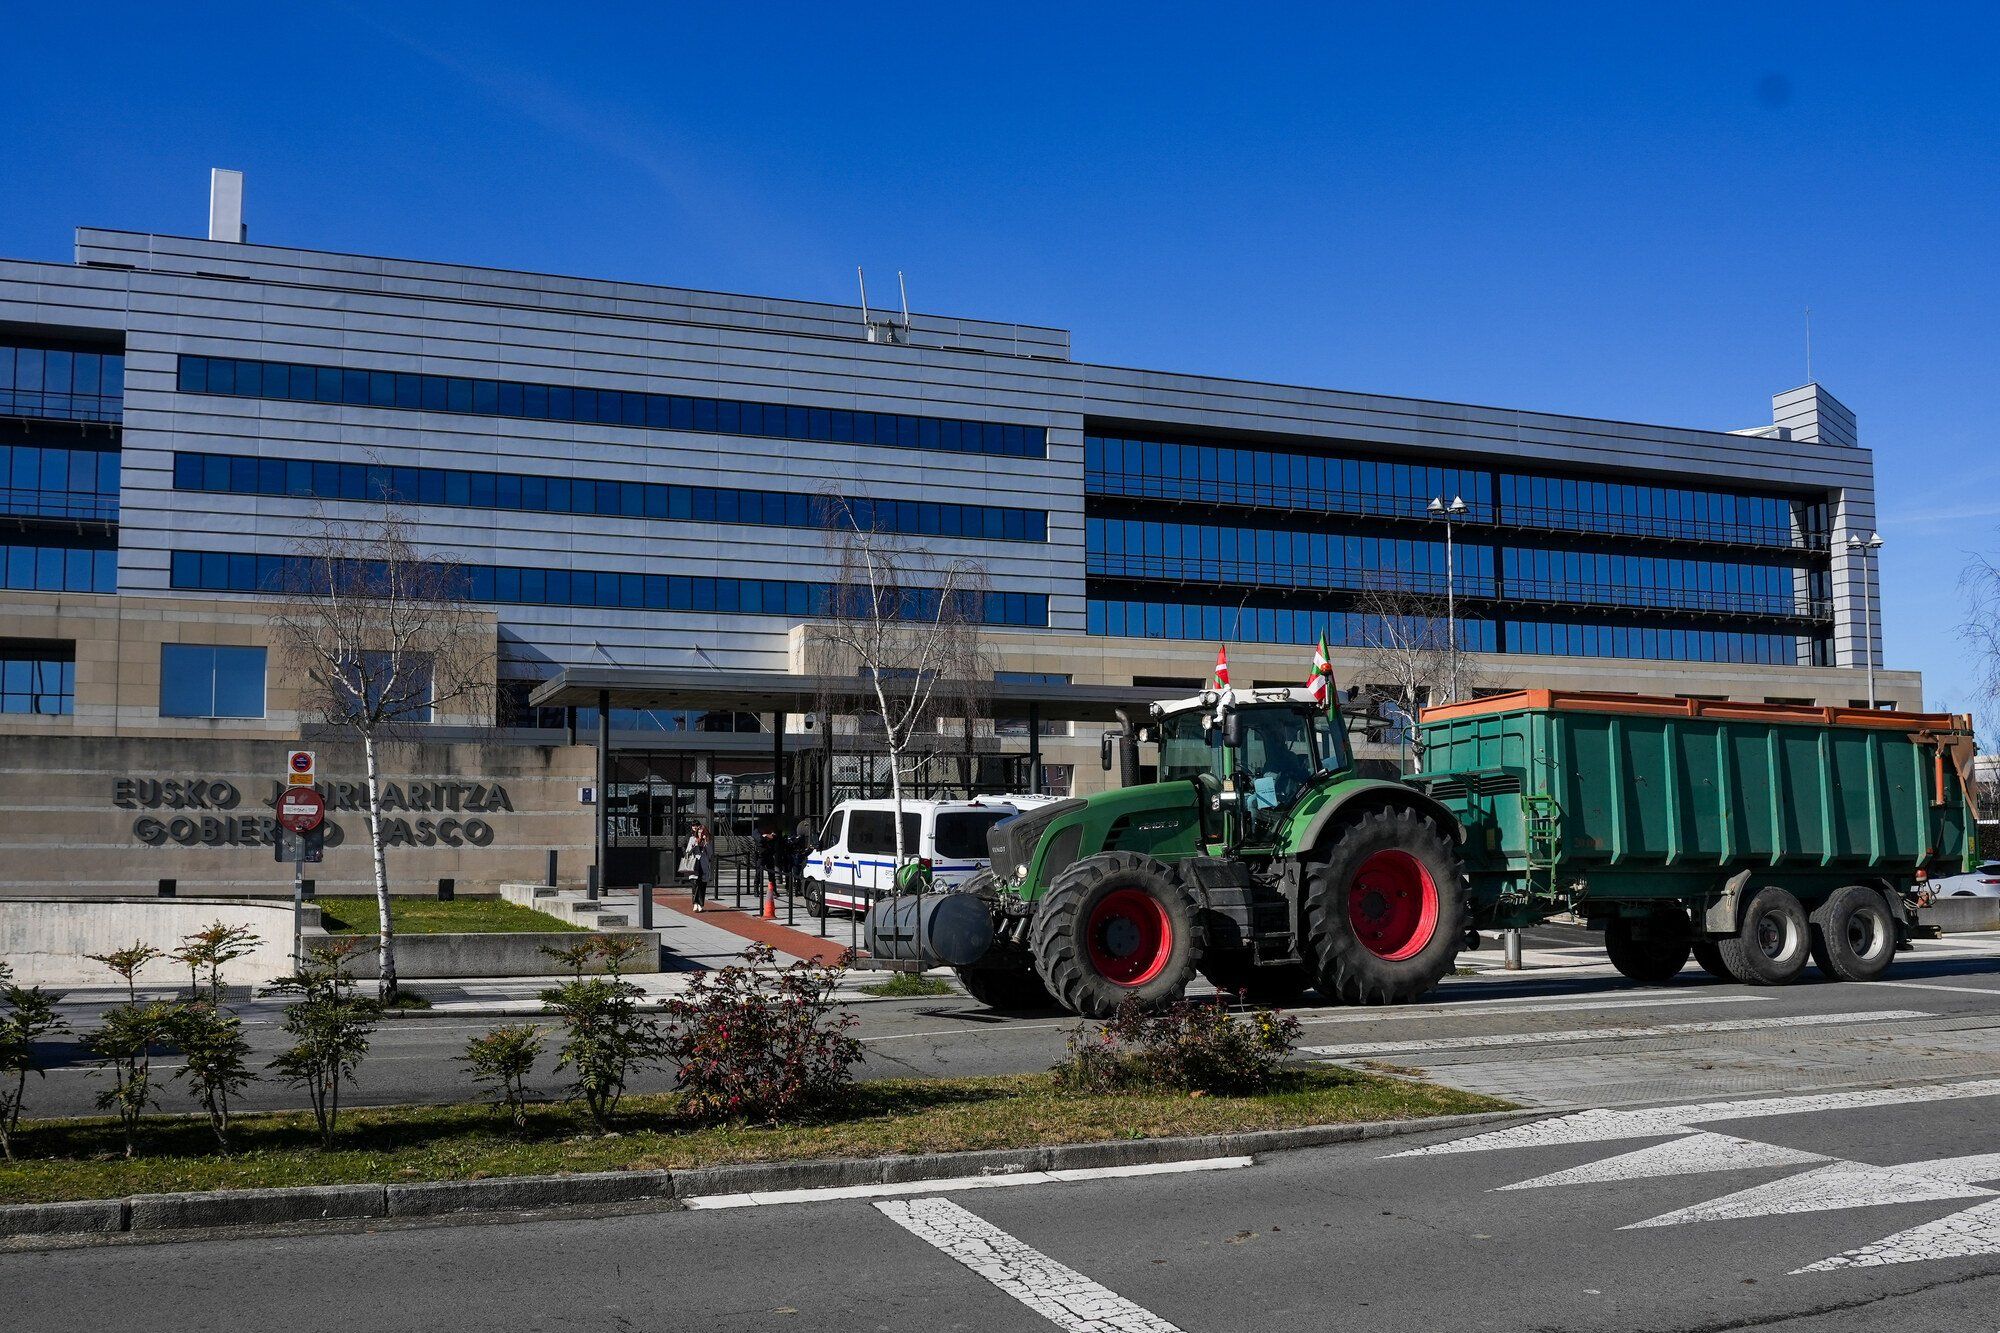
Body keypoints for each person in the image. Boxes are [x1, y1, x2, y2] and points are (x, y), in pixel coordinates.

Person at [682, 821, 713, 912]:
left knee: (702, 885)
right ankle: (695, 903)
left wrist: (706, 843)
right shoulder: (692, 839)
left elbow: (710, 854)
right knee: (695, 884)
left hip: (703, 864)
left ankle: (701, 904)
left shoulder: (707, 840)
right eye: (699, 832)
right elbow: (687, 851)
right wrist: (695, 846)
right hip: (694, 863)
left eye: (702, 832)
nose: (700, 834)